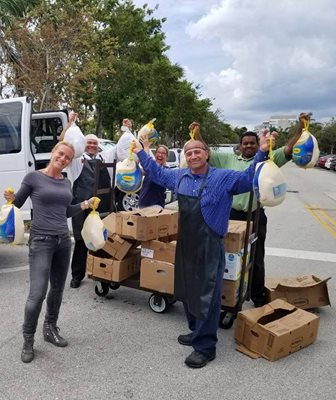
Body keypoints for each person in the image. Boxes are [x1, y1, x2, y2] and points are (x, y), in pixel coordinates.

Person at [131, 132, 272, 369]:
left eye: (197, 151)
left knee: (208, 294)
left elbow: (249, 179)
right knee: (186, 288)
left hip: (210, 244)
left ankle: (206, 347)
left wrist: (263, 152)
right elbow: (156, 172)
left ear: (206, 154)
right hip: (186, 243)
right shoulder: (179, 177)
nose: (193, 155)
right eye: (189, 152)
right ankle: (196, 331)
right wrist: (140, 153)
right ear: (185, 157)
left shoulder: (223, 177)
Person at [4, 142, 97, 363]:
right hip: (41, 241)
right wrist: (9, 198)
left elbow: (65, 211)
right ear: (54, 152)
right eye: (61, 154)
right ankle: (28, 339)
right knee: (37, 293)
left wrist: (84, 204)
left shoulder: (66, 182)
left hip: (63, 241)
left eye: (68, 158)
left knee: (57, 289)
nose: (63, 159)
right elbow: (16, 203)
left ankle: (50, 328)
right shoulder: (33, 178)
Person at [201, 113, 308, 307]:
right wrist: (197, 132)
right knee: (228, 256)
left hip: (255, 215)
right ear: (240, 145)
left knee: (256, 258)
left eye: (252, 143)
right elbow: (204, 150)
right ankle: (226, 294)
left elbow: (290, 149)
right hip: (231, 216)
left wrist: (301, 127)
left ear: (258, 144)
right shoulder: (229, 160)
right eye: (245, 143)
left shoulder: (269, 157)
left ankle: (258, 297)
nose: (249, 146)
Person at [67, 133, 112, 289]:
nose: (92, 145)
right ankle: (77, 275)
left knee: (101, 240)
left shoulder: (104, 159)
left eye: (94, 143)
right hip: (81, 206)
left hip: (101, 207)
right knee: (81, 241)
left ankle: (102, 275)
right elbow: (67, 141)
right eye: (89, 143)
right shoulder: (77, 161)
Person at [138, 142, 169, 208]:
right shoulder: (150, 168)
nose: (160, 155)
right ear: (155, 154)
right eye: (158, 152)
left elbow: (147, 165)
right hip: (142, 204)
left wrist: (146, 148)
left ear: (166, 157)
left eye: (163, 153)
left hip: (156, 206)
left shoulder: (165, 170)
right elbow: (143, 169)